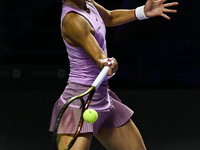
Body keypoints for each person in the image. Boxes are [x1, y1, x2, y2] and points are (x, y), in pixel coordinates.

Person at [49, 0, 178, 149]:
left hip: (102, 98)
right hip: (78, 103)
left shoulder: (88, 3)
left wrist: (143, 12)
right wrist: (107, 63)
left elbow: (110, 18)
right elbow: (99, 58)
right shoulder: (73, 20)